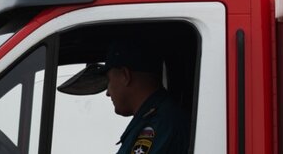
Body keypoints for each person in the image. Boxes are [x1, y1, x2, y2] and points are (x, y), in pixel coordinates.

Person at [57, 39, 190, 154]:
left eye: (109, 81)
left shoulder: (160, 124)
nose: (107, 93)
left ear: (125, 76)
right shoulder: (155, 120)